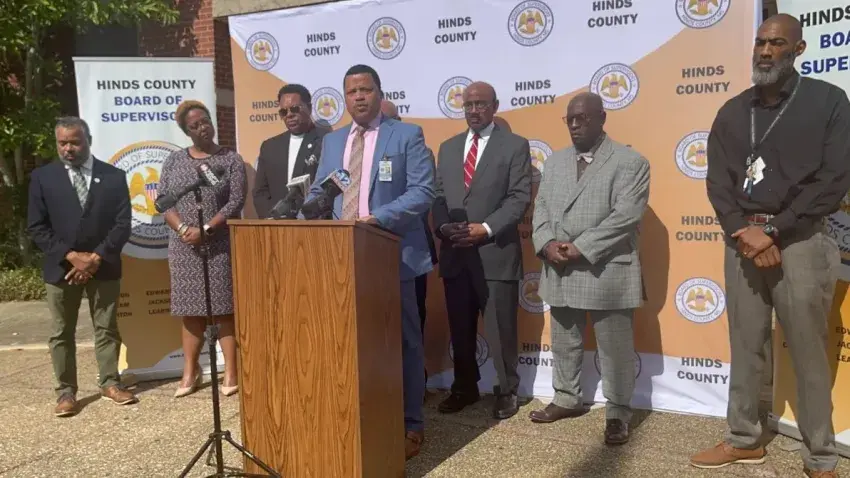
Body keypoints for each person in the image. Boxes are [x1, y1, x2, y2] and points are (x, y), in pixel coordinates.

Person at [690, 14, 850, 478]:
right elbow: (718, 182)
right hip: (742, 242)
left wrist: (774, 231)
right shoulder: (733, 111)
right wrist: (744, 232)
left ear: (798, 50)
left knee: (807, 351)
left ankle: (820, 457)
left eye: (777, 43)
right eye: (760, 42)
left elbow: (834, 178)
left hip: (800, 242)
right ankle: (743, 438)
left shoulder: (827, 101)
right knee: (745, 345)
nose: (764, 51)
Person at [306, 64, 435, 460]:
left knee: (403, 342)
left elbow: (423, 191)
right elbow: (323, 189)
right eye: (351, 92)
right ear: (344, 99)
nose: (359, 97)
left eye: (365, 89)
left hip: (393, 255)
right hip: (340, 259)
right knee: (347, 342)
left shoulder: (406, 135)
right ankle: (354, 415)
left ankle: (411, 423)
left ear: (379, 93)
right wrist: (308, 209)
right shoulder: (334, 141)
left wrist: (377, 219)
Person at [529, 92, 649, 446]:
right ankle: (567, 398)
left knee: (615, 349)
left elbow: (625, 216)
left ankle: (618, 412)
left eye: (582, 118)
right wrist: (547, 243)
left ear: (601, 118)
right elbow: (541, 208)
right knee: (564, 339)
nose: (574, 125)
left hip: (606, 268)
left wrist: (580, 247)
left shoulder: (631, 162)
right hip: (559, 265)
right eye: (569, 119)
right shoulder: (555, 162)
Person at [431, 82, 531, 419]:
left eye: (481, 104)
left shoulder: (514, 146)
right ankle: (464, 387)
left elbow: (519, 197)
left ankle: (507, 390)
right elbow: (438, 196)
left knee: (500, 328)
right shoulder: (448, 148)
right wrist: (443, 228)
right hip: (455, 253)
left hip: (495, 252)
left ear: (495, 106)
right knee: (460, 328)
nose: (474, 110)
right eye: (469, 105)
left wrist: (485, 228)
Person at [27, 116, 139, 417]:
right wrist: (71, 256)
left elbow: (122, 224)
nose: (68, 148)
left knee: (107, 327)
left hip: (104, 266)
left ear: (88, 140)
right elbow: (37, 227)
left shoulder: (113, 176)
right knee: (61, 332)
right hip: (60, 269)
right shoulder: (43, 177)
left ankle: (110, 383)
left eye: (74, 142)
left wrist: (95, 258)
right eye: (62, 143)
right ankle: (66, 392)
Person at [158, 100, 247, 399]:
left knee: (223, 308)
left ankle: (231, 370)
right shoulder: (174, 161)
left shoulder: (230, 159)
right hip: (184, 247)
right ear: (187, 132)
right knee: (190, 310)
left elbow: (236, 201)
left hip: (219, 244)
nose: (203, 128)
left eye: (205, 121)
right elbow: (164, 202)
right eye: (195, 125)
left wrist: (206, 229)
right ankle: (190, 370)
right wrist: (184, 230)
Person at [380, 99, 438, 386]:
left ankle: (416, 387)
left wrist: (380, 216)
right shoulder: (359, 151)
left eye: (389, 121)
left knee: (412, 324)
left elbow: (421, 197)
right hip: (369, 251)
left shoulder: (417, 150)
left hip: (408, 251)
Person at [253, 84, 330, 218]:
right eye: (284, 112)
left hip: (313, 223)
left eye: (295, 109)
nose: (289, 115)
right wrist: (273, 218)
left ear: (309, 108)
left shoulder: (326, 141)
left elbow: (329, 189)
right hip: (276, 224)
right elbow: (260, 192)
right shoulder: (269, 146)